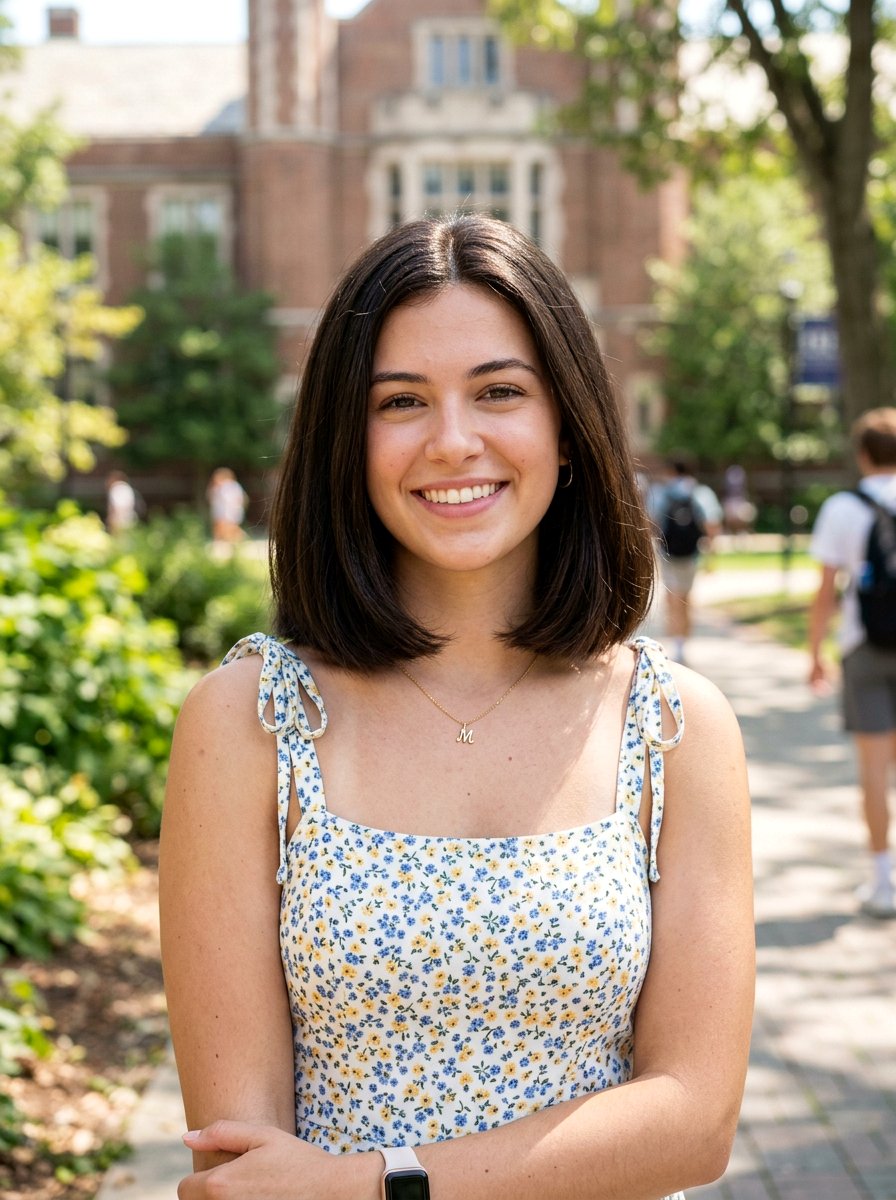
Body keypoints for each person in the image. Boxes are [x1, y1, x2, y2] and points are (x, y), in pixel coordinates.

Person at [160, 215, 754, 1200]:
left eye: (498, 391)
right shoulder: (249, 723)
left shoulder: (675, 725)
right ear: (346, 441)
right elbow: (244, 1168)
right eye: (399, 402)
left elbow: (694, 1119)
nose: (452, 440)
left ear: (566, 427)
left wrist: (380, 1185)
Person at [809, 407, 896, 919]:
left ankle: (884, 881)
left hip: (864, 649)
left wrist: (816, 653)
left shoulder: (844, 507)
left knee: (874, 771)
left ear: (862, 454)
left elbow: (825, 592)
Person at [648, 459, 723, 665]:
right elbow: (711, 523)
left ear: (671, 470)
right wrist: (712, 553)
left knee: (672, 596)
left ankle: (676, 642)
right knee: (686, 597)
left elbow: (652, 521)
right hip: (691, 553)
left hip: (668, 552)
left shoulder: (663, 492)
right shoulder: (701, 492)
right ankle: (684, 643)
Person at [207, 466, 248, 543]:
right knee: (220, 527)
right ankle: (220, 542)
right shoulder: (216, 487)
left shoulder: (232, 486)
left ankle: (242, 538)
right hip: (220, 511)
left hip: (230, 511)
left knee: (230, 527)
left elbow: (236, 499)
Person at [104, 469, 138, 534]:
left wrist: (113, 521)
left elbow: (118, 507)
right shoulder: (127, 488)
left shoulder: (116, 488)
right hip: (130, 520)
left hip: (119, 522)